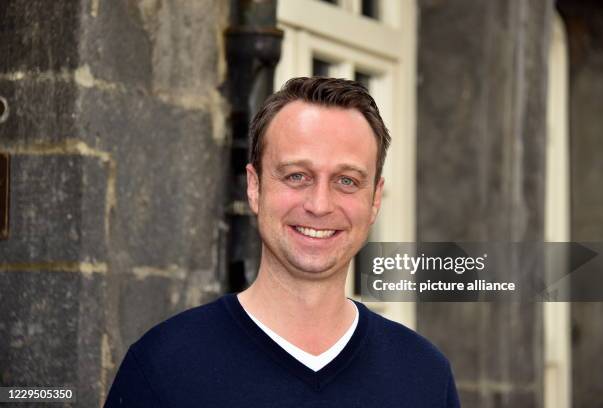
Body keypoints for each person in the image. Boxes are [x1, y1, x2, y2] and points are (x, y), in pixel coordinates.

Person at [104, 77, 460, 407]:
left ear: (375, 200)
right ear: (255, 187)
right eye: (297, 176)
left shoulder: (425, 377)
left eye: (347, 181)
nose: (319, 205)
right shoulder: (163, 368)